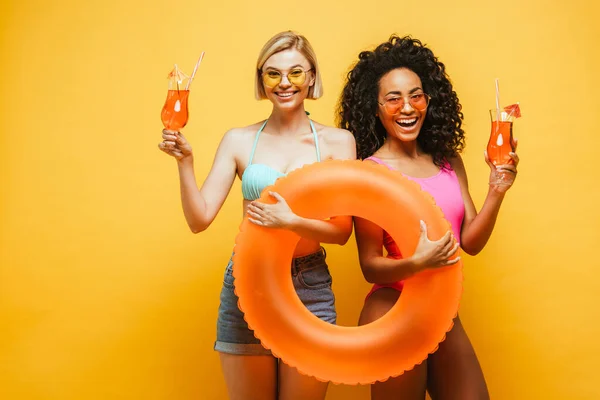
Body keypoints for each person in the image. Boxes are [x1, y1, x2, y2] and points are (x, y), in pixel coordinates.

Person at [158, 31, 355, 400]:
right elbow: (199, 219)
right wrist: (185, 162)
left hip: (307, 285)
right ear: (261, 79)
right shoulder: (238, 140)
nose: (284, 83)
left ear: (311, 76)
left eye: (295, 72)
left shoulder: (338, 142)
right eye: (273, 73)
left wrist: (290, 221)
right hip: (247, 281)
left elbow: (341, 231)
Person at [337, 35, 519, 399]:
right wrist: (418, 261)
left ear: (428, 100)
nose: (407, 107)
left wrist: (498, 190)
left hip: (442, 308)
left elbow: (470, 242)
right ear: (375, 108)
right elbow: (370, 266)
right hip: (392, 311)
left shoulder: (448, 162)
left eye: (416, 95)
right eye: (393, 98)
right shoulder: (368, 174)